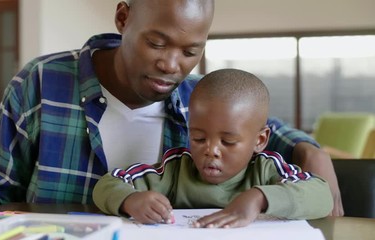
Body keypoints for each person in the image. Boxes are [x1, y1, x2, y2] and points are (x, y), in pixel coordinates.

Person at [0, 0, 342, 216]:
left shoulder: (200, 98)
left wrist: (311, 149)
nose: (172, 65)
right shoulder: (42, 82)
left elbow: (260, 128)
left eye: (191, 51)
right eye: (157, 44)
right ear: (124, 18)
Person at [93, 68, 333, 228]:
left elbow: (322, 195)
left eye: (227, 142)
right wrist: (130, 200)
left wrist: (259, 198)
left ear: (259, 141)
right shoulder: (174, 170)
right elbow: (108, 183)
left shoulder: (268, 169)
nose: (211, 150)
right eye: (198, 138)